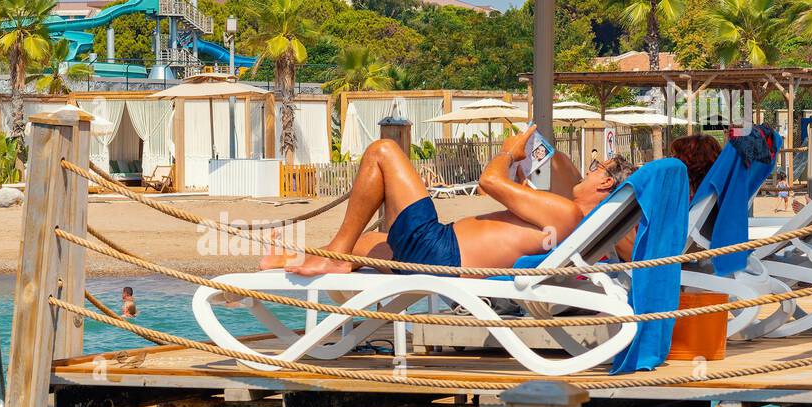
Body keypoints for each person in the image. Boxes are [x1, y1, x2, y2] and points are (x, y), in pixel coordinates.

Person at [262, 126, 635, 276]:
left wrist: (509, 152)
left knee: (383, 151)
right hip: (439, 257)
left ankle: (336, 260)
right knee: (368, 245)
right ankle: (284, 260)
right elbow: (514, 222)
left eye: (593, 168)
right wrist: (521, 179)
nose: (587, 172)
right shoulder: (569, 222)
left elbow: (488, 181)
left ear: (604, 182)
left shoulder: (568, 213)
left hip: (438, 250)